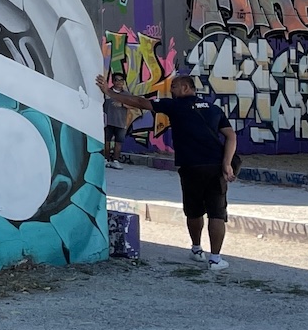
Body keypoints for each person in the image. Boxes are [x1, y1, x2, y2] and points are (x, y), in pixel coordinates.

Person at [97, 72, 238, 268]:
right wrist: (227, 163)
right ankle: (215, 259)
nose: (170, 90)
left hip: (190, 166)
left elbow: (140, 102)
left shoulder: (175, 105)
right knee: (217, 213)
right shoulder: (214, 109)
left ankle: (197, 249)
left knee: (194, 210)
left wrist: (109, 92)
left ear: (186, 88)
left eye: (174, 86)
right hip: (215, 167)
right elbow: (231, 136)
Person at [102, 72, 130, 168]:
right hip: (107, 122)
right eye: (116, 80)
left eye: (121, 80)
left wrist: (122, 104)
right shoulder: (107, 92)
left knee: (118, 143)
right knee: (106, 141)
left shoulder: (126, 95)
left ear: (123, 82)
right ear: (113, 81)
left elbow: (133, 105)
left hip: (121, 122)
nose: (119, 82)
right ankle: (106, 159)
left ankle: (115, 161)